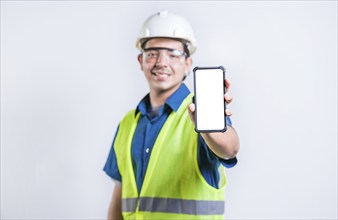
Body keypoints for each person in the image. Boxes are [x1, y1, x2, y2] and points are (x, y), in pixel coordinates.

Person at [103, 10, 240, 220]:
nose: (161, 62)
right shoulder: (127, 124)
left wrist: (211, 130)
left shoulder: (200, 113)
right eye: (152, 53)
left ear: (187, 64)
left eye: (173, 54)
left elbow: (230, 148)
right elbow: (119, 198)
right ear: (140, 60)